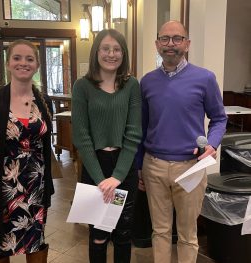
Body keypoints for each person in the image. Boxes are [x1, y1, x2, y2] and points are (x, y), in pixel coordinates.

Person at [136, 21, 228, 263]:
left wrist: (213, 144)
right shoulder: (147, 82)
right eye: (165, 39)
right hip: (153, 166)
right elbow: (142, 127)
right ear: (157, 44)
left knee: (188, 234)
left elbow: (219, 118)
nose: (170, 44)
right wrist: (138, 167)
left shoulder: (205, 78)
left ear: (187, 44)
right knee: (160, 231)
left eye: (177, 39)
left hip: (190, 168)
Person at [0, 39, 54, 263]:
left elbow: (45, 148)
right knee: (1, 247)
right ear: (8, 63)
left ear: (37, 65)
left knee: (35, 244)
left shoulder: (45, 102)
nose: (23, 63)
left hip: (36, 189)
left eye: (29, 59)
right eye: (17, 58)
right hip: (4, 192)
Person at [72, 29, 142, 263]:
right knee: (99, 235)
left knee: (123, 234)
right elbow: (81, 137)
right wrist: (102, 180)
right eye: (105, 48)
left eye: (117, 49)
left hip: (124, 166)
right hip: (95, 168)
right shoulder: (82, 86)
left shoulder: (132, 85)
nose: (111, 54)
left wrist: (117, 177)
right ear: (96, 52)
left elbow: (133, 134)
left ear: (123, 53)